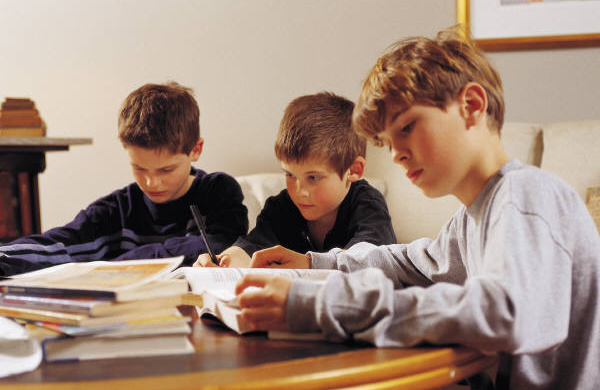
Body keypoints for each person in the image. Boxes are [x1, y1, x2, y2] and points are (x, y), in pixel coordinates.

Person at [232, 29, 600, 389]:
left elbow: (505, 313)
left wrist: (319, 304)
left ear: (471, 106)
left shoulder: (527, 195)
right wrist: (314, 263)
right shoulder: (472, 216)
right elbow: (409, 263)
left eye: (406, 128)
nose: (395, 154)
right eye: (387, 142)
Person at [0, 82, 248, 276]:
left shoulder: (219, 191)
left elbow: (220, 244)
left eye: (166, 170)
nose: (152, 183)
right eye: (139, 168)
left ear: (196, 150)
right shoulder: (116, 209)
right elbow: (61, 243)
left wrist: (113, 265)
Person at [194, 92, 395, 268]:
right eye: (290, 175)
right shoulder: (283, 206)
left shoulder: (367, 203)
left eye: (314, 177)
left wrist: (308, 263)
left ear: (354, 170)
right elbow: (251, 247)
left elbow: (372, 259)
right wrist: (223, 260)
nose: (300, 191)